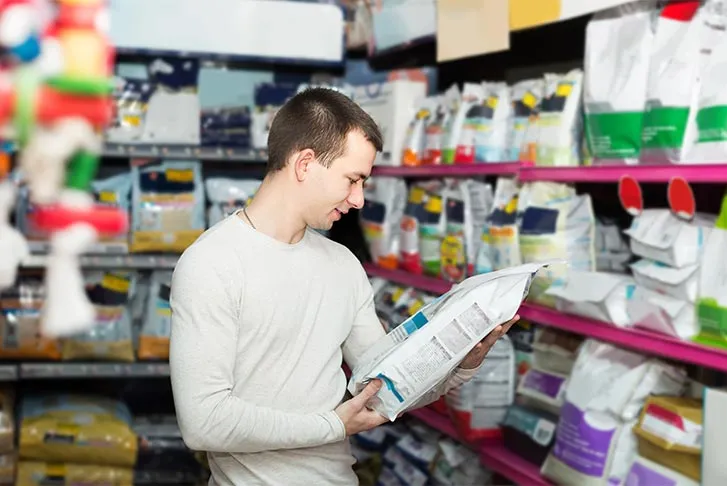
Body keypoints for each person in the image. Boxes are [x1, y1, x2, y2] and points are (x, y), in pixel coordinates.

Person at [169, 87, 519, 486]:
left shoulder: (343, 264)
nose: (359, 200)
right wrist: (332, 425)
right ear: (305, 164)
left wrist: (464, 360)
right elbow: (203, 422)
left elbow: (388, 389)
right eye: (353, 180)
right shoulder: (212, 264)